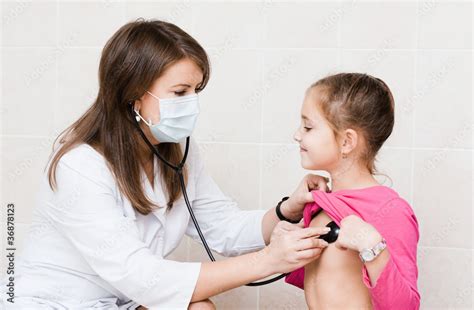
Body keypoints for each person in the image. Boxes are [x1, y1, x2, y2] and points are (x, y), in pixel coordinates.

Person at [0, 19, 331, 309]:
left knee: (198, 307)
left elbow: (222, 226)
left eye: (196, 90)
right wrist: (267, 261)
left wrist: (286, 210)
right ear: (133, 94)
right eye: (180, 91)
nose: (192, 104)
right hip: (57, 303)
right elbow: (144, 277)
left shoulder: (176, 151)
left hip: (119, 301)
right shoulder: (79, 166)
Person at [286, 73, 421, 309]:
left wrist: (373, 248)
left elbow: (405, 306)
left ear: (347, 142)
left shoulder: (389, 211)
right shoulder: (320, 205)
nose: (297, 135)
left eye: (308, 127)